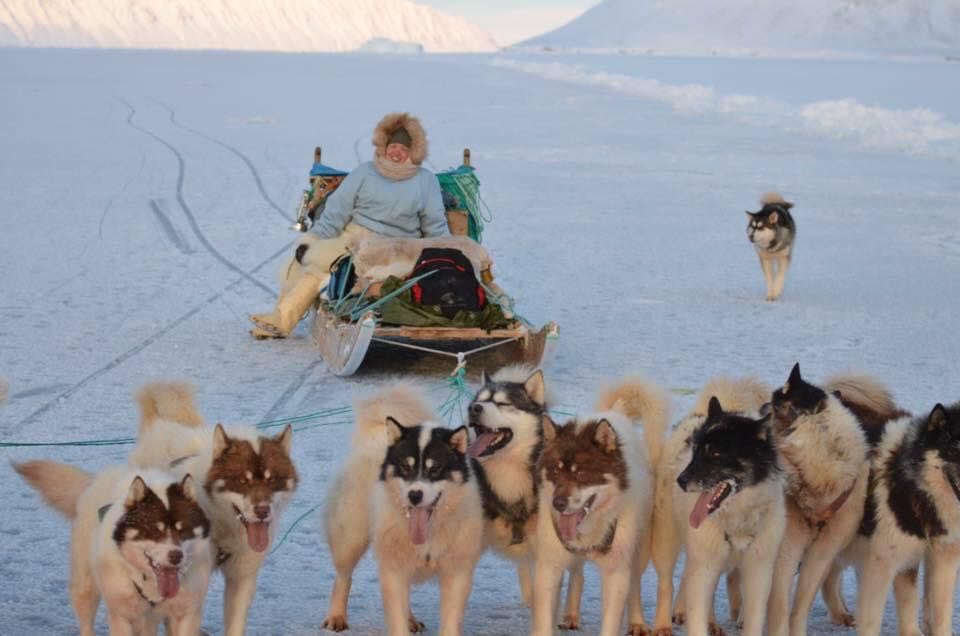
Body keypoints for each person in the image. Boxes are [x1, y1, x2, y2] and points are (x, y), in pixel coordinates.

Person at [250, 112, 448, 338]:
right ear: (383, 146)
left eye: (403, 149)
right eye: (393, 146)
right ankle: (281, 319)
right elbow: (336, 212)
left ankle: (282, 320)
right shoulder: (364, 172)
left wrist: (447, 253)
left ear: (413, 152)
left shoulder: (425, 181)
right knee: (312, 264)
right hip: (353, 238)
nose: (397, 153)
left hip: (396, 247)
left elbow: (435, 225)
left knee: (320, 270)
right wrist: (312, 239)